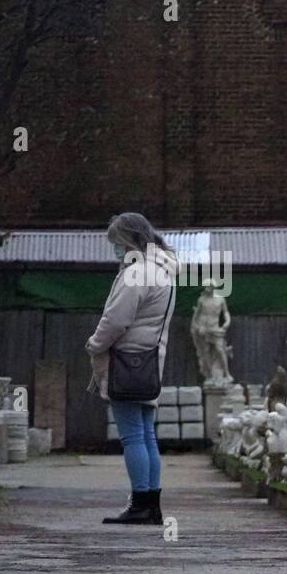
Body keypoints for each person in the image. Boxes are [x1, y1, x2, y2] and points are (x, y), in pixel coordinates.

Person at [85, 212, 177, 524]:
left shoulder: (137, 273)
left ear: (129, 241)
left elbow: (116, 320)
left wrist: (95, 344)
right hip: (149, 362)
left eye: (116, 243)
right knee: (147, 435)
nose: (115, 249)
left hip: (126, 362)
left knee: (132, 437)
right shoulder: (164, 271)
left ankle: (139, 504)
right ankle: (151, 505)